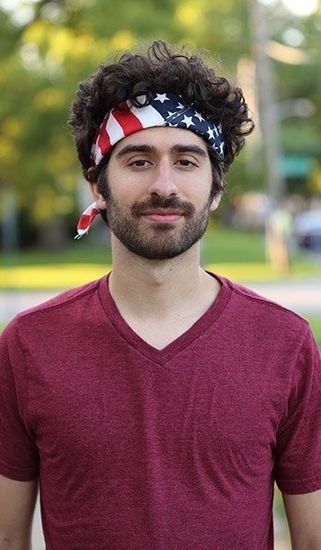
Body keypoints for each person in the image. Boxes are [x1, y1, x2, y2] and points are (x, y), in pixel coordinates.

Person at [0, 40, 320, 550]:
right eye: (139, 160)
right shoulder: (27, 345)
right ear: (97, 186)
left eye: (188, 161)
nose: (164, 185)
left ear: (216, 188)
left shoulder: (285, 343)